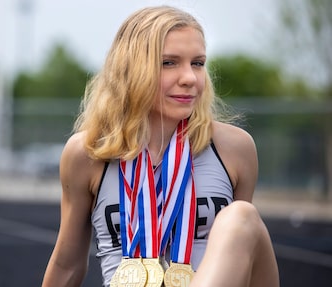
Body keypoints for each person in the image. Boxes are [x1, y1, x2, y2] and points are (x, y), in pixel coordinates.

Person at [42, 5, 279, 287]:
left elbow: (246, 263)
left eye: (198, 63)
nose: (190, 78)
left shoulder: (235, 148)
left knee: (242, 217)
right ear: (131, 69)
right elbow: (66, 265)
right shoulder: (88, 152)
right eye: (169, 63)